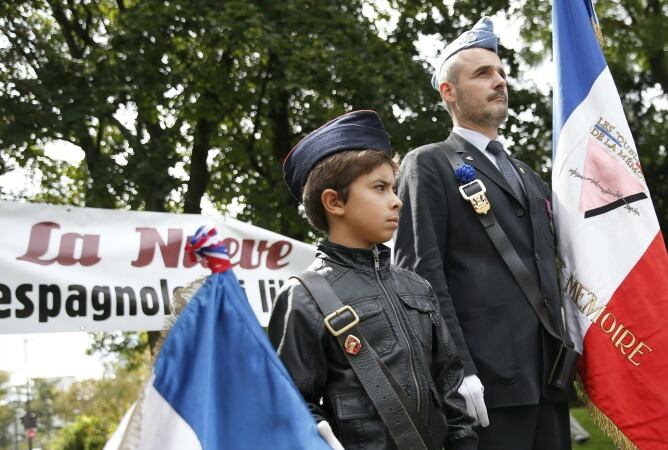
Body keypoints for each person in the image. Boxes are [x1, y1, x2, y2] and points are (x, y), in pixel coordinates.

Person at [394, 17, 573, 450]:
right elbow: (421, 276)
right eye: (482, 73)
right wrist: (457, 368)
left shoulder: (528, 176)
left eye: (501, 73)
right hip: (486, 384)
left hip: (549, 377)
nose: (499, 82)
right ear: (448, 92)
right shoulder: (429, 164)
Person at [268, 110, 478, 450]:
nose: (396, 200)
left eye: (393, 188)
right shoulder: (304, 297)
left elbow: (450, 388)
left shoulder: (417, 288)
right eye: (379, 188)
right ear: (334, 202)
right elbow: (290, 403)